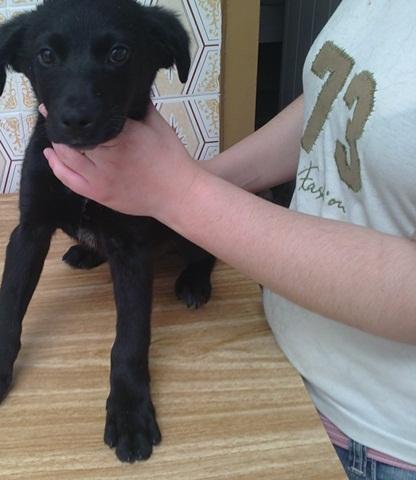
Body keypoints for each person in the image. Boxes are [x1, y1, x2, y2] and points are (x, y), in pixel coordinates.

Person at [41, 0, 416, 478]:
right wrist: (186, 185)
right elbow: (334, 105)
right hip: (271, 347)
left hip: (375, 439)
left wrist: (182, 194)